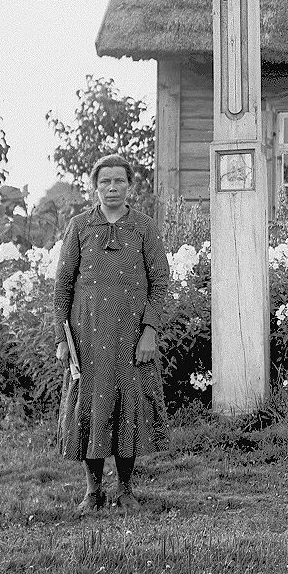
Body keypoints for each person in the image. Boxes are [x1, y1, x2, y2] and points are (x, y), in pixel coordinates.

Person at [55, 154, 168, 514]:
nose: (113, 188)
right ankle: (92, 490)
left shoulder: (144, 228)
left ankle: (125, 489)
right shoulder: (79, 227)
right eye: (105, 181)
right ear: (96, 186)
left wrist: (149, 330)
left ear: (130, 186)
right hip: (87, 337)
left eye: (119, 181)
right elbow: (62, 286)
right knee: (90, 406)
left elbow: (160, 282)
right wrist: (62, 338)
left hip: (131, 337)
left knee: (128, 407)